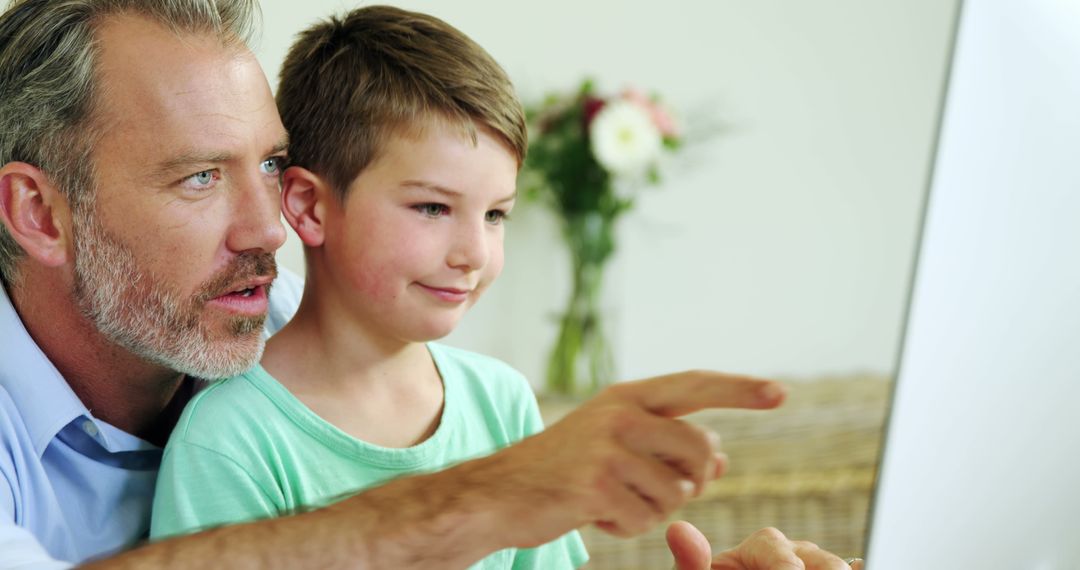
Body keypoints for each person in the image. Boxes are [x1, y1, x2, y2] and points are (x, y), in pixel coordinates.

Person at [0, 0, 861, 568]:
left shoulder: (273, 314)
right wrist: (493, 496)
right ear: (39, 213)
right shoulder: (237, 428)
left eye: (268, 163)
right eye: (197, 177)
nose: (269, 229)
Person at [149, 6, 590, 568]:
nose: (475, 253)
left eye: (496, 215)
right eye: (432, 207)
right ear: (310, 207)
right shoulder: (231, 441)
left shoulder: (502, 403)